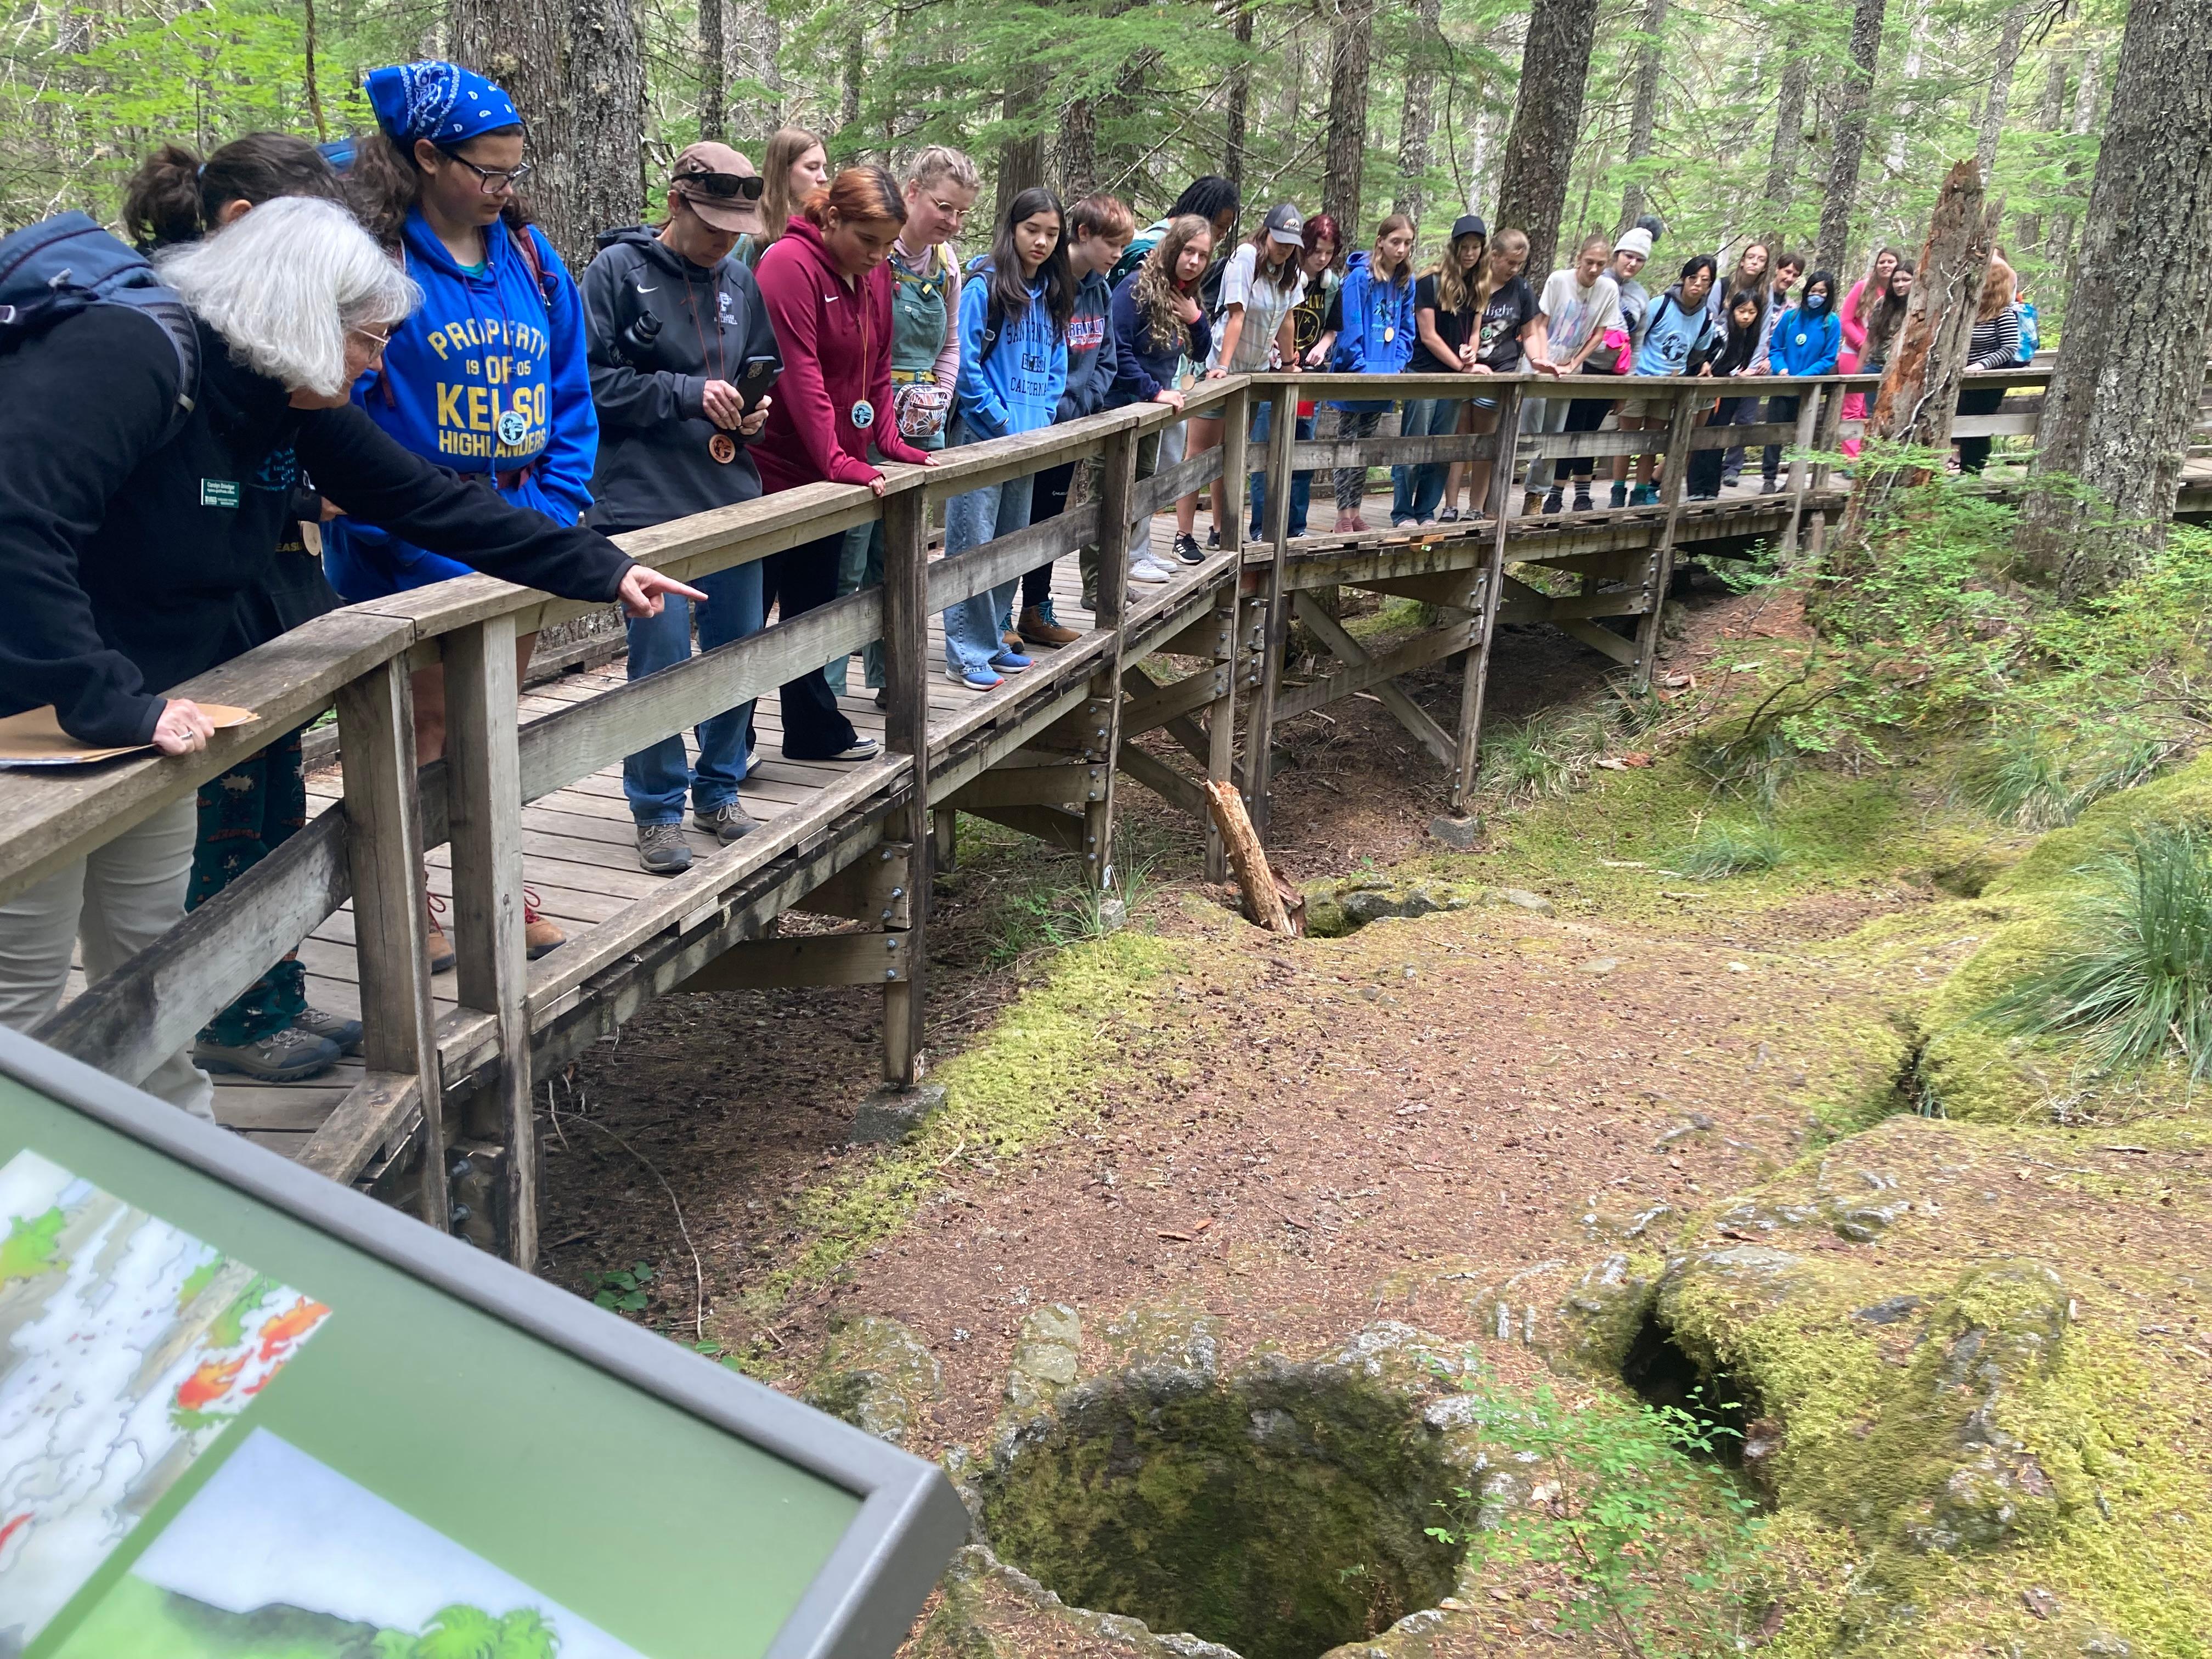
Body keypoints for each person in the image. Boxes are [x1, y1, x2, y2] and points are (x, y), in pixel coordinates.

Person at [0, 197, 703, 1119]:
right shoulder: (133, 354)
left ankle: (175, 1179)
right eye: (367, 340)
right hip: (36, 713)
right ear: (300, 315)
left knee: (152, 957)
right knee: (24, 987)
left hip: (145, 706)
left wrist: (600, 566)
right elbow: (16, 526)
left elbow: (425, 499)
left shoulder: (282, 398)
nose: (376, 363)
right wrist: (109, 702)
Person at [326, 59, 599, 966]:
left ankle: (498, 877)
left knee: (495, 718)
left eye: (512, 169)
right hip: (408, 530)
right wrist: (382, 520)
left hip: (518, 518)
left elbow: (570, 389)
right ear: (427, 156)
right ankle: (415, 897)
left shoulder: (529, 254)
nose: (502, 187)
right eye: (486, 170)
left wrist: (555, 508)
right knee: (427, 728)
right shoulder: (379, 254)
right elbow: (345, 396)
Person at [116, 134, 361, 1082]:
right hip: (187, 632)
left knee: (273, 803)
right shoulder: (165, 335)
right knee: (212, 822)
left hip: (270, 602)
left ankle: (273, 988)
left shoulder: (268, 347)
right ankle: (227, 1012)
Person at [583, 143, 783, 876]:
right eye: (713, 226)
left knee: (737, 646)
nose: (725, 241)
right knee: (662, 655)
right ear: (675, 204)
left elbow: (759, 369)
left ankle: (720, 786)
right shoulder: (614, 273)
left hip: (730, 492)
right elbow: (589, 384)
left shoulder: (740, 280)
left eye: (736, 229)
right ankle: (658, 809)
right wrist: (685, 393)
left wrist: (751, 413)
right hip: (644, 503)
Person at [752, 165, 934, 745]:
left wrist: (891, 441)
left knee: (814, 605)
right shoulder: (787, 264)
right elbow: (797, 371)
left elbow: (878, 363)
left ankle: (811, 730)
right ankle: (728, 747)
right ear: (831, 218)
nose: (878, 256)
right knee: (749, 612)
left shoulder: (874, 274)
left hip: (832, 472)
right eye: (867, 241)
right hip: (775, 469)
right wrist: (834, 457)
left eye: (886, 245)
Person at [831, 145, 980, 699]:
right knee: (850, 551)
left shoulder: (947, 267)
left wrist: (939, 395)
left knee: (898, 557)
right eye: (945, 207)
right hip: (864, 414)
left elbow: (951, 345)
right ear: (912, 191)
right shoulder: (874, 253)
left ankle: (891, 677)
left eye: (963, 213)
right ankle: (827, 690)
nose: (952, 222)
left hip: (920, 421)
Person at [940, 188, 1073, 691]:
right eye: (1031, 230)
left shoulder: (1055, 293)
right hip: (983, 438)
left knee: (1012, 545)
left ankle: (994, 639)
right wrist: (996, 418)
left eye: (1051, 234)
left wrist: (1044, 415)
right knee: (972, 544)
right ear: (1012, 229)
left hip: (1030, 439)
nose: (1040, 242)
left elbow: (1058, 363)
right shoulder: (985, 286)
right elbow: (964, 363)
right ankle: (965, 651)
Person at [1016, 192, 1131, 646]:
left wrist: (1087, 402)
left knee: (1048, 518)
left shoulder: (1100, 289)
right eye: (1113, 244)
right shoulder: (1047, 284)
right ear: (1083, 234)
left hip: (1076, 422)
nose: (1119, 255)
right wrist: (1059, 407)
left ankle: (1036, 608)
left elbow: (1107, 356)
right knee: (1019, 518)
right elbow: (1039, 353)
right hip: (1038, 421)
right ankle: (1001, 617)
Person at [1177, 204, 1307, 560]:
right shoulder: (1246, 258)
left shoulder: (1290, 273)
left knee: (1233, 452)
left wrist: (1288, 365)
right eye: (1279, 239)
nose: (1283, 248)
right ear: (1266, 232)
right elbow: (1237, 314)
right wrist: (1221, 366)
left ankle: (1223, 529)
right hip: (1223, 367)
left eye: (1290, 243)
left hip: (1255, 373)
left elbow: (1287, 319)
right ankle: (1182, 534)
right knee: (1199, 452)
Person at [1109, 215, 1214, 586]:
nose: (1194, 262)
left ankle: (1140, 549)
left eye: (1202, 256)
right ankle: (1129, 557)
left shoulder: (1186, 293)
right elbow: (1117, 351)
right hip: (1127, 403)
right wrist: (1151, 390)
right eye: (1188, 251)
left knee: (1155, 478)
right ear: (1173, 248)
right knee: (1132, 481)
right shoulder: (1135, 287)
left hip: (1160, 402)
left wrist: (1196, 317)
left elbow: (1201, 351)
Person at [1325, 214, 1416, 532]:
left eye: (1407, 243)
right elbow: (1350, 327)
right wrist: (1361, 367)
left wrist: (1399, 363)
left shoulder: (1406, 282)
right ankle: (1341, 515)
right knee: (1347, 442)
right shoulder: (1360, 278)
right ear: (1381, 242)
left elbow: (1407, 329)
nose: (1401, 249)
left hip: (1386, 375)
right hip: (1356, 374)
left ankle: (1355, 510)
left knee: (1365, 444)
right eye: (1395, 242)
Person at [1526, 233, 1622, 515]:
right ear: (1579, 258)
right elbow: (1541, 323)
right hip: (1539, 363)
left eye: (1600, 264)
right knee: (1527, 429)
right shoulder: (1559, 280)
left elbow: (1599, 334)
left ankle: (1535, 496)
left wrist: (1572, 364)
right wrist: (1542, 361)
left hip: (1568, 371)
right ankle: (1497, 491)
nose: (1594, 269)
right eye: (1589, 262)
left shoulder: (1608, 291)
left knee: (1553, 435)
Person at [1616, 253, 1719, 505]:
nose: (1697, 284)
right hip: (1641, 380)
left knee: (1653, 441)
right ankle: (1617, 491)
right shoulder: (1660, 305)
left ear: (1710, 285)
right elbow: (1636, 336)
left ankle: (1641, 491)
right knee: (1625, 440)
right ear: (1684, 279)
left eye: (1704, 280)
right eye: (1693, 277)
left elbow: (1699, 351)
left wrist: (1701, 365)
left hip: (1670, 386)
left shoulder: (1705, 317)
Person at [1404, 214, 1486, 525]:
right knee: (1413, 445)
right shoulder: (1430, 281)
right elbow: (1428, 335)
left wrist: (1471, 354)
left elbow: (1475, 331)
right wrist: (1462, 367)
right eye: (1464, 247)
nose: (1469, 253)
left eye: (1475, 247)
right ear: (1454, 248)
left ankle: (1426, 511)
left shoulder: (1479, 285)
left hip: (1454, 377)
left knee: (1442, 448)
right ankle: (1403, 513)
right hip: (1424, 373)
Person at [1458, 227, 1546, 516]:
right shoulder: (1473, 282)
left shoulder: (1521, 290)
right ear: (1494, 256)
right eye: (1510, 262)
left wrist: (1536, 361)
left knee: (1487, 442)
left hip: (1500, 374)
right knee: (1458, 440)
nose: (1515, 269)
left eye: (1519, 264)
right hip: (1463, 371)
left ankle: (1476, 507)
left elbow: (1530, 332)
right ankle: (1448, 506)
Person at [1268, 213, 1342, 540]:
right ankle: (1263, 528)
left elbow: (1332, 329)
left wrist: (1322, 348)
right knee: (1266, 452)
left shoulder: (1332, 286)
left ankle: (1296, 527)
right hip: (1274, 378)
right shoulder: (1283, 277)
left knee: (1302, 453)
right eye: (1316, 251)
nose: (1322, 259)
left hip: (1308, 380)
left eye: (1328, 253)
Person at [1761, 267, 1839, 493]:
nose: (1818, 295)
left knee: (1802, 434)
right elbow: (1776, 349)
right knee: (1774, 432)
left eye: (1823, 292)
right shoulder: (1791, 317)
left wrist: (1803, 377)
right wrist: (1782, 369)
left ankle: (1794, 478)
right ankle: (1769, 478)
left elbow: (1828, 359)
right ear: (1806, 291)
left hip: (1808, 390)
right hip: (1783, 385)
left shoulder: (1831, 323)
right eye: (1814, 290)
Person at [1687, 289, 1770, 499]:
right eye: (1742, 311)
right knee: (1703, 437)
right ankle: (1696, 489)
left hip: (1729, 392)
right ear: (1733, 310)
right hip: (1708, 390)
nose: (1746, 316)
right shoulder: (1720, 331)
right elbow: (1701, 354)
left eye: (1752, 312)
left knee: (1720, 439)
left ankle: (1712, 489)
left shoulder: (1750, 336)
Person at [1956, 253, 2023, 476]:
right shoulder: (1968, 311)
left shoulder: (2004, 313)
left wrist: (1981, 366)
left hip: (1989, 378)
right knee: (1960, 421)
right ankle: (1957, 466)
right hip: (1963, 377)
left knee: (1977, 426)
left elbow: (2009, 348)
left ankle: (1972, 473)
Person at [1604, 225, 1655, 506]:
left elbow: (1638, 342)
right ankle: (1555, 494)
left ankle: (1611, 494)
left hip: (1619, 373)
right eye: (1628, 256)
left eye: (1639, 259)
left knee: (1607, 437)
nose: (1632, 263)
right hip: (1585, 370)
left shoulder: (1640, 296)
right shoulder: (1598, 280)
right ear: (1617, 254)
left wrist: (1628, 380)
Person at [1111, 176, 1240, 288]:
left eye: (1227, 229)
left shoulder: (1163, 232)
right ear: (1202, 216)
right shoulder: (1157, 248)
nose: (1223, 235)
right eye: (1220, 226)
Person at [1747, 250, 1807, 488]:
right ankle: (1730, 470)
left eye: (1795, 274)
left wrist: (1773, 361)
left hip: (1773, 368)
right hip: (1748, 363)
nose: (1790, 277)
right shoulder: (1760, 295)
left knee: (1755, 418)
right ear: (1778, 269)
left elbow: (1782, 342)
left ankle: (1783, 477)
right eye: (1787, 271)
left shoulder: (1792, 310)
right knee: (1739, 418)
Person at [1837, 246, 1903, 459]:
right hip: (1854, 354)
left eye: (1891, 262)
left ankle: (1869, 456)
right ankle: (1851, 458)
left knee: (1875, 408)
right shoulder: (1863, 287)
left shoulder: (1900, 293)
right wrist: (1863, 343)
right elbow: (1846, 321)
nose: (1886, 266)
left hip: (1883, 360)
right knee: (1853, 408)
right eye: (1882, 262)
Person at [753, 127, 830, 264]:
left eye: (824, 168)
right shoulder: (749, 230)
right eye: (812, 168)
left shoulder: (830, 225)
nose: (823, 178)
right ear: (784, 171)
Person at [1858, 260, 1915, 378]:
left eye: (1906, 280)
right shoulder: (1882, 304)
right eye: (1896, 281)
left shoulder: (1921, 305)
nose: (1900, 285)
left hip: (1907, 369)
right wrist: (1859, 369)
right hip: (1877, 367)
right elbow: (1869, 339)